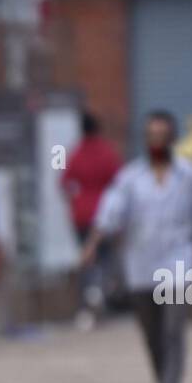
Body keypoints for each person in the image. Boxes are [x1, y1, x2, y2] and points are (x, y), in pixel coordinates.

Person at [81, 110, 192, 383]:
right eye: (151, 135)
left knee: (173, 329)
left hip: (178, 260)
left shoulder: (191, 176)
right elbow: (110, 212)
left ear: (172, 138)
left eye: (162, 135)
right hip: (141, 264)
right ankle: (163, 381)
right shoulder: (130, 178)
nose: (156, 141)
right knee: (151, 333)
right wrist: (93, 243)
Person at [61, 112, 122, 328]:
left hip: (81, 215)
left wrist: (74, 201)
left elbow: (64, 182)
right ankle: (101, 296)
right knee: (105, 259)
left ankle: (88, 299)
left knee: (87, 259)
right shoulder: (107, 152)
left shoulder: (76, 153)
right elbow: (119, 183)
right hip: (104, 215)